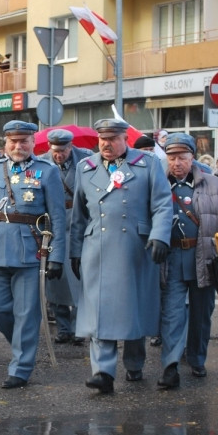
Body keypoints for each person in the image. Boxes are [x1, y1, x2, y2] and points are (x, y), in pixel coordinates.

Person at [71, 119, 173, 394]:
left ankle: (134, 362)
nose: (106, 143)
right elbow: (78, 215)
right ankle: (103, 372)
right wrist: (74, 250)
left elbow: (163, 204)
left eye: (112, 138)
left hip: (135, 248)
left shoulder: (147, 164)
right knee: (99, 311)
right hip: (97, 249)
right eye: (102, 138)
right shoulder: (86, 167)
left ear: (125, 138)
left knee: (131, 309)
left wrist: (160, 236)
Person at [0, 120, 66, 389]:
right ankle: (25, 345)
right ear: (5, 144)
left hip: (30, 250)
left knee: (26, 313)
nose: (18, 146)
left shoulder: (46, 171)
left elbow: (58, 217)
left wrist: (57, 256)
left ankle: (21, 367)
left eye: (24, 141)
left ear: (33, 143)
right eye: (13, 141)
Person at [157, 133, 218, 388]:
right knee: (172, 314)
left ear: (192, 158)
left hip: (205, 258)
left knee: (202, 314)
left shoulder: (213, 185)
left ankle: (197, 358)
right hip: (171, 259)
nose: (177, 162)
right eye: (172, 157)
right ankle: (170, 365)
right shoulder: (158, 183)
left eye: (182, 157)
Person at [41, 128, 92, 345]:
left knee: (81, 279)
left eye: (62, 150)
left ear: (70, 147)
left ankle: (79, 327)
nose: (58, 155)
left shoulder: (87, 159)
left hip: (79, 224)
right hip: (54, 227)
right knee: (56, 280)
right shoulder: (42, 163)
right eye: (54, 150)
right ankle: (63, 328)